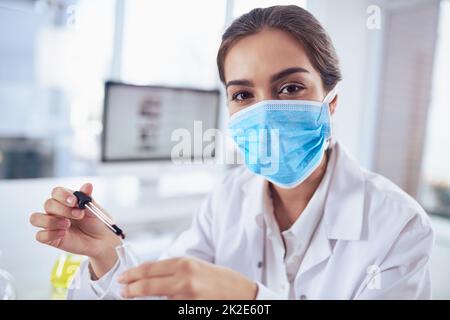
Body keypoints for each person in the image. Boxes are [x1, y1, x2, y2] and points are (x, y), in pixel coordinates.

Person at [29, 5, 433, 299]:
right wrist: (106, 253)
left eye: (290, 88)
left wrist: (251, 299)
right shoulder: (228, 198)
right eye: (243, 94)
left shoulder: (398, 226)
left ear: (331, 100)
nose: (264, 112)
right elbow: (165, 290)